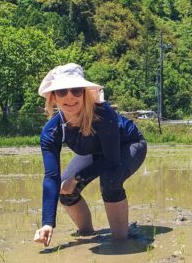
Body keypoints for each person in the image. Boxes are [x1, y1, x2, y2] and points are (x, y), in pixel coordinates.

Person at [33, 63, 147, 247]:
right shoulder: (51, 131)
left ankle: (121, 240)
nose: (69, 96)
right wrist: (47, 223)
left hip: (129, 144)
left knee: (110, 180)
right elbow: (51, 177)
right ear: (53, 97)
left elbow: (112, 159)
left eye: (76, 90)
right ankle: (86, 234)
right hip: (97, 152)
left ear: (85, 92)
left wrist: (78, 178)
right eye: (62, 91)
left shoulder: (103, 114)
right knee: (64, 188)